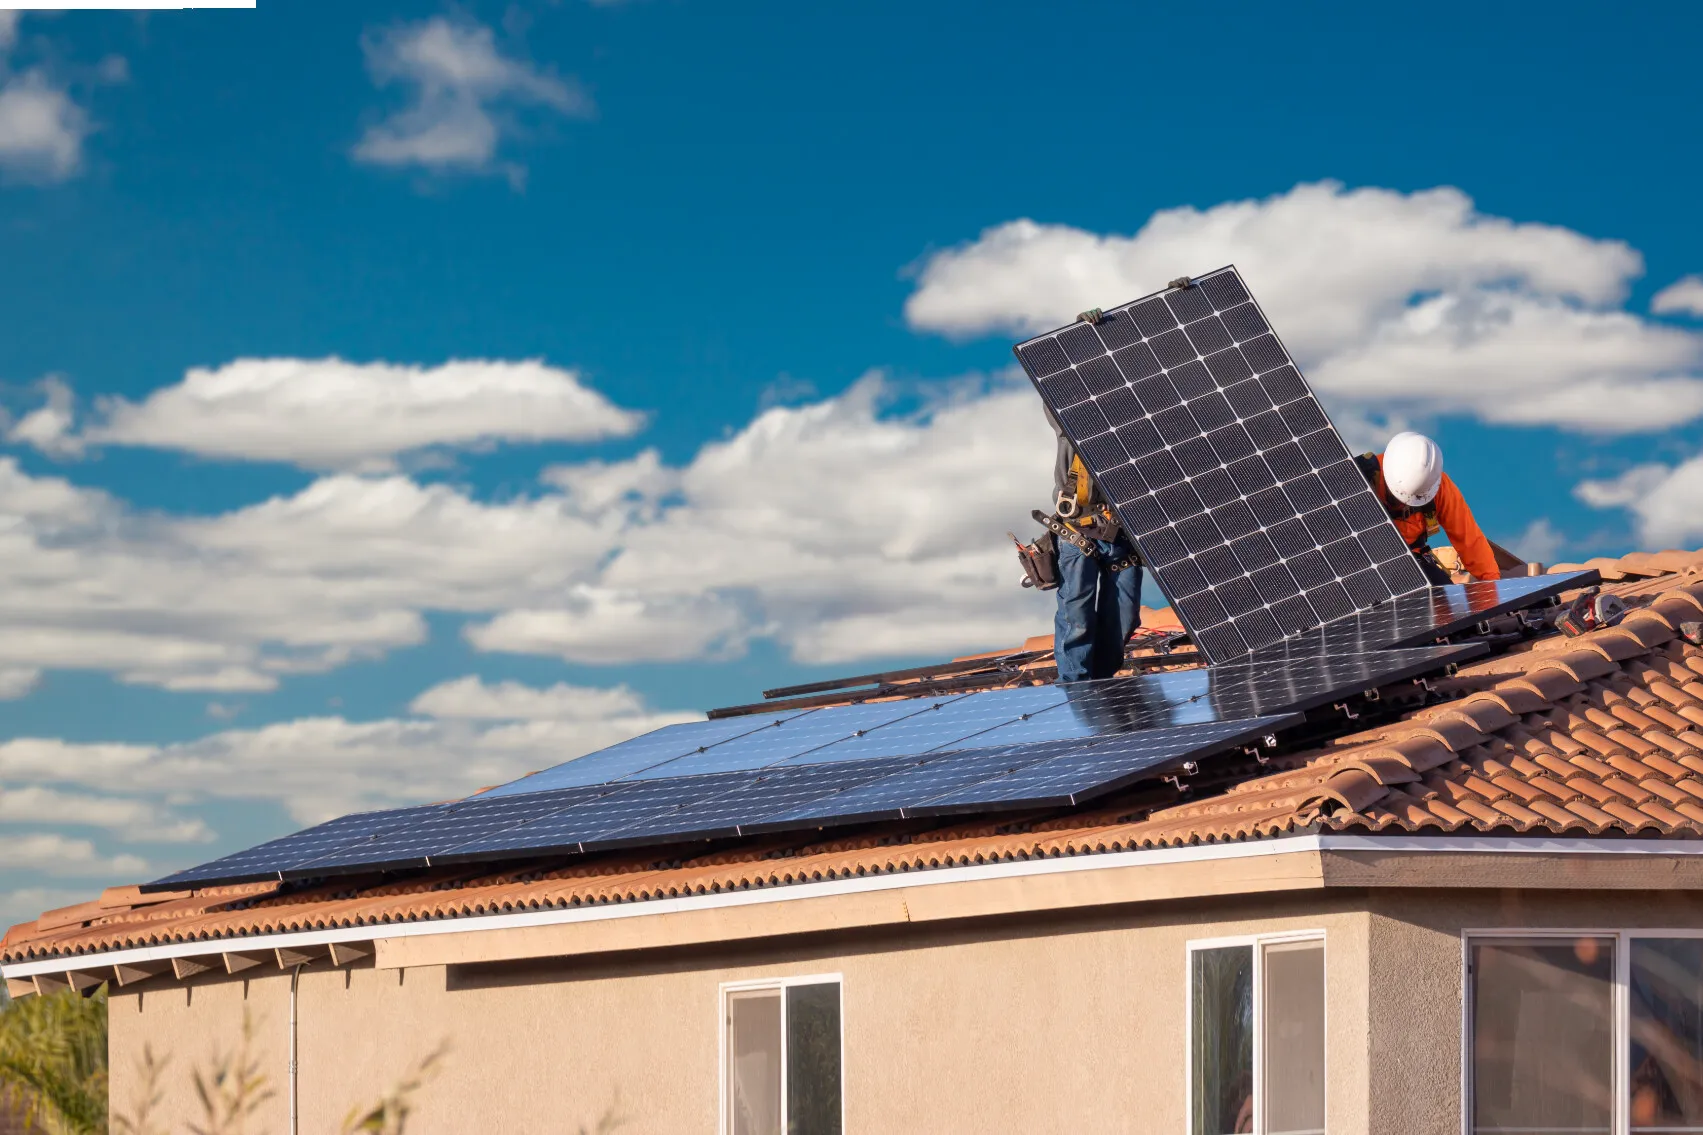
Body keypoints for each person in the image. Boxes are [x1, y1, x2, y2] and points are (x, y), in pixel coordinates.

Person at [1046, 409, 1144, 682]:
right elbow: (1056, 395)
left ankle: (1100, 685)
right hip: (1078, 530)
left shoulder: (1136, 426)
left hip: (1121, 534)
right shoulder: (1071, 420)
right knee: (1077, 619)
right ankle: (1077, 689)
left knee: (1125, 618)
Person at [1357, 431, 1499, 585]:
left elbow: (1469, 539)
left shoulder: (1438, 487)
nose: (1404, 505)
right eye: (1399, 498)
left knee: (1444, 601)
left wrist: (1494, 586)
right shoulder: (1355, 479)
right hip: (1359, 563)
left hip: (1413, 563)